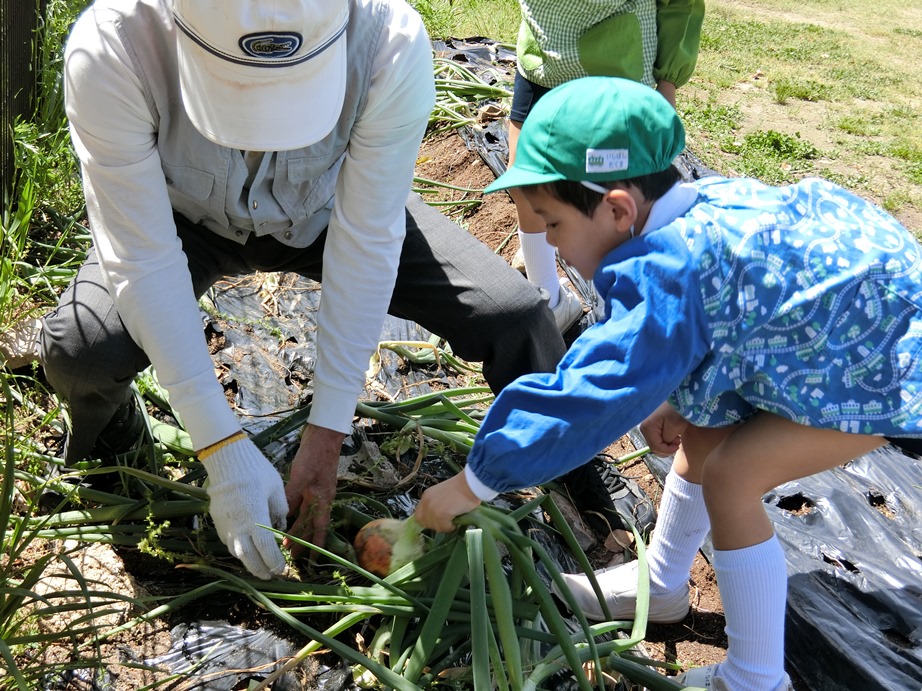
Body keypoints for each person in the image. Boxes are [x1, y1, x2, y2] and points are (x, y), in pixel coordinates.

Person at [414, 76, 922, 690]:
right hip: (851, 320)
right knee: (703, 432)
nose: (550, 244)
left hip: (882, 360)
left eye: (552, 225)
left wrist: (478, 480)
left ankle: (755, 680)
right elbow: (726, 325)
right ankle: (663, 586)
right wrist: (679, 396)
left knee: (734, 477)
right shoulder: (699, 209)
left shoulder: (668, 269)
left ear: (618, 209)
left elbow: (588, 395)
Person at [40, 0, 568, 582]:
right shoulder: (114, 44)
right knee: (80, 351)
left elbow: (368, 238)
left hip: (328, 211)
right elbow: (142, 256)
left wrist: (327, 430)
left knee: (512, 315)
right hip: (181, 224)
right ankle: (113, 435)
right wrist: (220, 446)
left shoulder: (387, 43)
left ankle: (565, 475)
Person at [507, 0, 705, 333]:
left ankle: (633, 313)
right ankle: (550, 300)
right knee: (527, 184)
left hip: (614, 65)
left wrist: (667, 82)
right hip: (542, 58)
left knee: (608, 205)